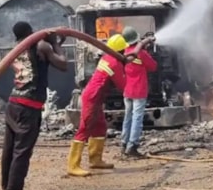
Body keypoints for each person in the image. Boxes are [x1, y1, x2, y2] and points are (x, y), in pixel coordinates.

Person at [1, 22, 67, 190]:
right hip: (28, 106)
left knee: (10, 150)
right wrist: (56, 44)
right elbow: (62, 64)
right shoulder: (41, 46)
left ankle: (10, 189)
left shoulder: (16, 48)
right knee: (22, 152)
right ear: (31, 32)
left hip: (13, 103)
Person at [65, 33, 154, 176]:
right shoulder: (114, 64)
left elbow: (127, 58)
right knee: (85, 128)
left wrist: (141, 45)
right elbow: (123, 85)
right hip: (93, 98)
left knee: (100, 127)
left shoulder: (108, 57)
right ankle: (73, 165)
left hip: (96, 98)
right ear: (119, 51)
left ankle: (96, 160)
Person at [120, 27, 157, 157]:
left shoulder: (126, 51)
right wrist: (147, 51)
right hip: (139, 91)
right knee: (137, 118)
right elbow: (153, 67)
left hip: (127, 90)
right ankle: (132, 146)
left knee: (128, 117)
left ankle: (124, 143)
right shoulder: (141, 53)